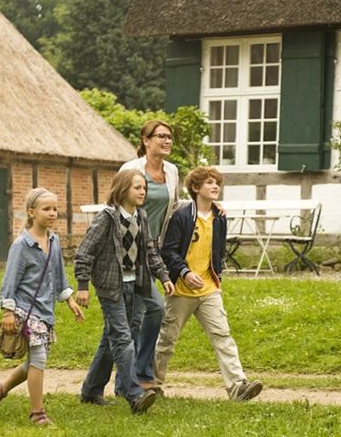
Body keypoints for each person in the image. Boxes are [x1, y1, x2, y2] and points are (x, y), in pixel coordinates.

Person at [156, 166, 263, 401]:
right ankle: (152, 385)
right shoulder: (182, 216)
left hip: (209, 289)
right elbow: (168, 251)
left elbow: (218, 253)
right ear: (196, 188)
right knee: (166, 340)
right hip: (181, 291)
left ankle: (237, 386)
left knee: (222, 335)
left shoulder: (219, 217)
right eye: (209, 183)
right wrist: (184, 272)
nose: (215, 187)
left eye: (217, 183)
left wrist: (218, 279)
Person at [75, 169, 175, 414]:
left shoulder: (140, 216)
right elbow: (84, 252)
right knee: (123, 339)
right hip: (111, 287)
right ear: (122, 190)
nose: (142, 192)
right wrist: (83, 286)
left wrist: (163, 276)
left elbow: (151, 251)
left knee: (111, 341)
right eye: (137, 187)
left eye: (144, 188)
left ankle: (91, 390)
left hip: (136, 285)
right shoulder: (107, 219)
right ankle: (134, 394)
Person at [0, 187, 85, 426]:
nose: (52, 213)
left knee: (33, 363)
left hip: (46, 311)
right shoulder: (21, 245)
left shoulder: (54, 241)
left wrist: (70, 301)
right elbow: (9, 281)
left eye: (55, 209)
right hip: (25, 310)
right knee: (38, 358)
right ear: (31, 212)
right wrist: (7, 311)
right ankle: (37, 413)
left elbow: (59, 275)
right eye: (46, 209)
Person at [116, 119, 180, 393]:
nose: (167, 141)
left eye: (170, 137)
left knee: (153, 310)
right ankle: (128, 382)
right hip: (128, 251)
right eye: (161, 136)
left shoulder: (172, 171)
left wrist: (209, 205)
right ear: (146, 139)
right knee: (134, 317)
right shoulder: (130, 170)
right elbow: (115, 205)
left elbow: (174, 205)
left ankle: (139, 374)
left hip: (154, 249)